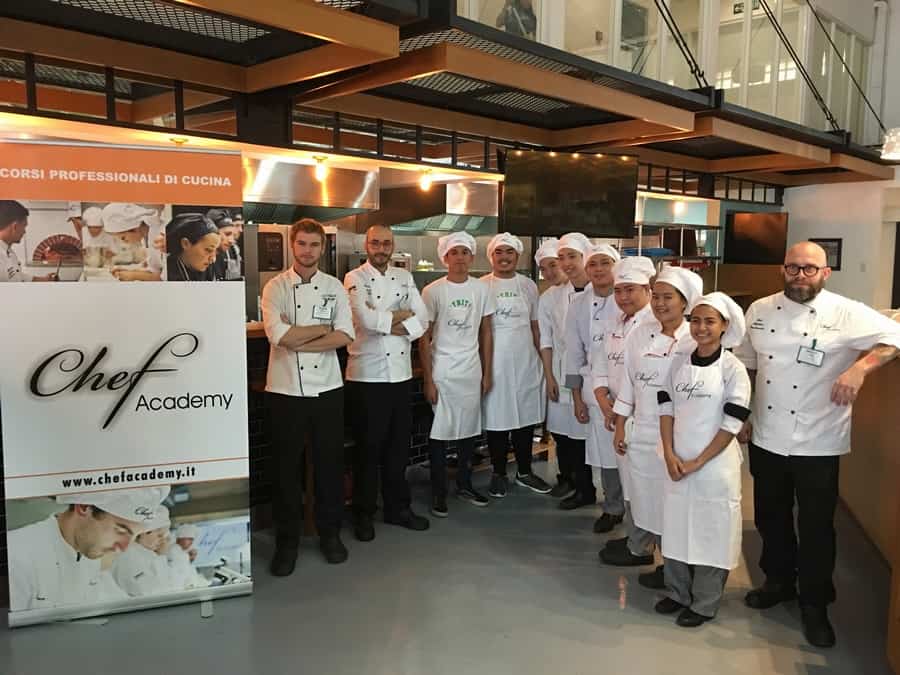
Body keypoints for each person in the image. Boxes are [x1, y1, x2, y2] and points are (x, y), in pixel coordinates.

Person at [734, 241, 900, 648]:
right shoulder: (760, 310)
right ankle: (777, 581)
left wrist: (860, 368)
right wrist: (744, 415)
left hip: (819, 439)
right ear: (782, 269)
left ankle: (815, 603)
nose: (800, 275)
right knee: (770, 515)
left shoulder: (846, 311)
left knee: (816, 526)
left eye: (810, 269)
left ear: (825, 273)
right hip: (767, 433)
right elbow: (747, 365)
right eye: (793, 267)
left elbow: (897, 337)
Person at [262, 218, 355, 573]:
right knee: (285, 470)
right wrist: (321, 329)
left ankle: (330, 534)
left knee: (330, 465)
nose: (307, 250)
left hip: (328, 390)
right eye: (301, 243)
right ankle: (286, 543)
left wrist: (298, 337)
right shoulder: (275, 287)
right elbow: (278, 336)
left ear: (322, 248)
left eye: (314, 244)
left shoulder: (334, 287)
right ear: (292, 245)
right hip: (284, 390)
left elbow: (345, 335)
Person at [655, 292, 751, 627]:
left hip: (714, 466)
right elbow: (665, 408)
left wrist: (698, 461)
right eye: (695, 320)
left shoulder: (733, 369)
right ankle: (677, 591)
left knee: (711, 531)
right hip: (676, 462)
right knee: (675, 527)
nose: (701, 327)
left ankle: (705, 602)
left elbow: (732, 423)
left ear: (725, 326)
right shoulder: (679, 362)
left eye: (710, 321)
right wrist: (669, 453)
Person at [606, 266, 702, 583]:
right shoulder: (640, 334)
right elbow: (629, 383)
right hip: (644, 431)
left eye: (668, 297)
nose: (660, 304)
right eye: (657, 296)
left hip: (682, 436)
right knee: (647, 499)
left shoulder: (695, 338)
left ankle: (678, 571)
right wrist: (621, 424)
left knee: (676, 504)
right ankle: (659, 559)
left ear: (685, 301)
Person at [343, 224, 430, 541]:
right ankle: (363, 513)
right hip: (367, 376)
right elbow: (365, 321)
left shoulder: (404, 276)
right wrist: (401, 315)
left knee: (397, 448)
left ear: (392, 246)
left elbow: (423, 320)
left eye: (386, 243)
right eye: (375, 243)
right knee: (368, 449)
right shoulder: (354, 278)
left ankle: (397, 508)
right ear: (367, 246)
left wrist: (386, 321)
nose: (381, 249)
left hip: (400, 376)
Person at [420, 231, 496, 516]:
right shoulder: (433, 291)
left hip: (470, 370)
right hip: (443, 370)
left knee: (468, 432)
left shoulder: (481, 289)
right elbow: (424, 337)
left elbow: (486, 331)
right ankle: (438, 492)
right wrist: (428, 379)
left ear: (472, 257)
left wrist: (487, 372)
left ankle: (465, 484)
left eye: (465, 252)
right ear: (445, 258)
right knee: (439, 434)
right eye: (454, 253)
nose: (460, 258)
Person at [7, 487, 170, 611]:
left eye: (134, 536)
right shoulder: (16, 557)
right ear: (84, 507)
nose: (123, 547)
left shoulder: (89, 555)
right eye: (121, 530)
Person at [592, 257, 656, 561]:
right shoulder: (616, 322)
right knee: (628, 481)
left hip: (642, 417)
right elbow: (600, 364)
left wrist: (619, 411)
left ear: (647, 290)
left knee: (642, 484)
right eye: (619, 291)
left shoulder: (654, 325)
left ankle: (642, 547)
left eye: (630, 290)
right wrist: (604, 401)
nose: (623, 297)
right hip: (617, 414)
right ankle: (635, 537)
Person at [480, 232, 551, 498]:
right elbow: (480, 331)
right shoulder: (481, 286)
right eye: (499, 252)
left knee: (525, 418)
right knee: (497, 419)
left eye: (509, 252)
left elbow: (535, 327)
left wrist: (544, 364)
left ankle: (524, 471)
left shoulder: (528, 286)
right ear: (491, 257)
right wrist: (483, 368)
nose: (504, 257)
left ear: (517, 256)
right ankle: (498, 473)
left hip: (526, 361)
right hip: (495, 362)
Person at [563, 244, 622, 519]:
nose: (598, 269)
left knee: (631, 453)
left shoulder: (626, 298)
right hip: (592, 388)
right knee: (604, 453)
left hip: (628, 386)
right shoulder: (578, 305)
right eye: (593, 264)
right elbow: (573, 353)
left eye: (605, 263)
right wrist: (577, 399)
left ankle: (636, 514)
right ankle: (612, 507)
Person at [537, 232, 591, 502]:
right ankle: (566, 478)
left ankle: (585, 487)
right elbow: (546, 340)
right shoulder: (550, 297)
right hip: (559, 370)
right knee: (560, 431)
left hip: (587, 373)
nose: (565, 264)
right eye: (562, 258)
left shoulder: (595, 291)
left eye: (571, 257)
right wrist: (549, 376)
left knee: (582, 433)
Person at [112, 506, 179, 596]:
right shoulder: (130, 556)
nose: (162, 541)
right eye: (159, 535)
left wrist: (161, 556)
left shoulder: (148, 554)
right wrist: (161, 557)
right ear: (144, 532)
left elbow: (169, 584)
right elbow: (146, 591)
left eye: (164, 536)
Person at [0, 200, 58, 282]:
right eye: (24, 226)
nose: (24, 232)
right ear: (15, 226)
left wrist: (44, 279)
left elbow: (17, 276)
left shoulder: (8, 251)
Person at [165, 213, 221, 282]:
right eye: (208, 250)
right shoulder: (165, 275)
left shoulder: (210, 270)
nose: (213, 259)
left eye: (216, 251)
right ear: (185, 244)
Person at [208, 208, 243, 281]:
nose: (231, 240)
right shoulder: (201, 261)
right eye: (227, 234)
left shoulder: (230, 252)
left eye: (233, 235)